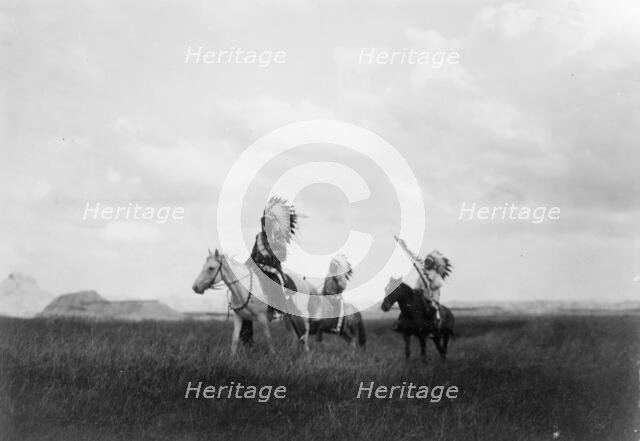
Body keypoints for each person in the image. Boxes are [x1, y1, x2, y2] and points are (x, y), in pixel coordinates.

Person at [246, 196, 299, 321]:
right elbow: (253, 255)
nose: (265, 226)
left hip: (273, 269)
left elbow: (282, 255)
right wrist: (245, 265)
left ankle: (277, 310)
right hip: (257, 268)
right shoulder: (259, 237)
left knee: (274, 282)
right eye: (263, 224)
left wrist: (270, 258)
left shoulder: (279, 237)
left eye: (267, 224)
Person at [395, 237, 452, 324]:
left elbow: (437, 284)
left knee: (433, 308)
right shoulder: (423, 274)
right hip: (421, 296)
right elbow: (418, 285)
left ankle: (436, 322)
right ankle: (401, 323)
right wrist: (417, 289)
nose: (426, 263)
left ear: (432, 263)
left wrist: (430, 284)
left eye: (428, 262)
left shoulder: (436, 274)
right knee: (409, 306)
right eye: (426, 262)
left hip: (432, 297)